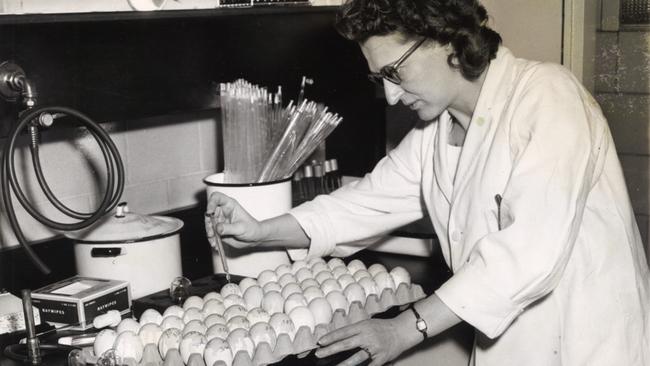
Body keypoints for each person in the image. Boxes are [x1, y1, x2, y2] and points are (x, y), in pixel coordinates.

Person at [205, 0, 650, 364]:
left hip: (589, 343)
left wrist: (407, 327)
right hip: (513, 345)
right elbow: (364, 204)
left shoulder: (548, 96)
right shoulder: (437, 131)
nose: (392, 95)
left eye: (395, 73)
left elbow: (527, 253)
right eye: (380, 79)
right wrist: (261, 231)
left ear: (445, 40)